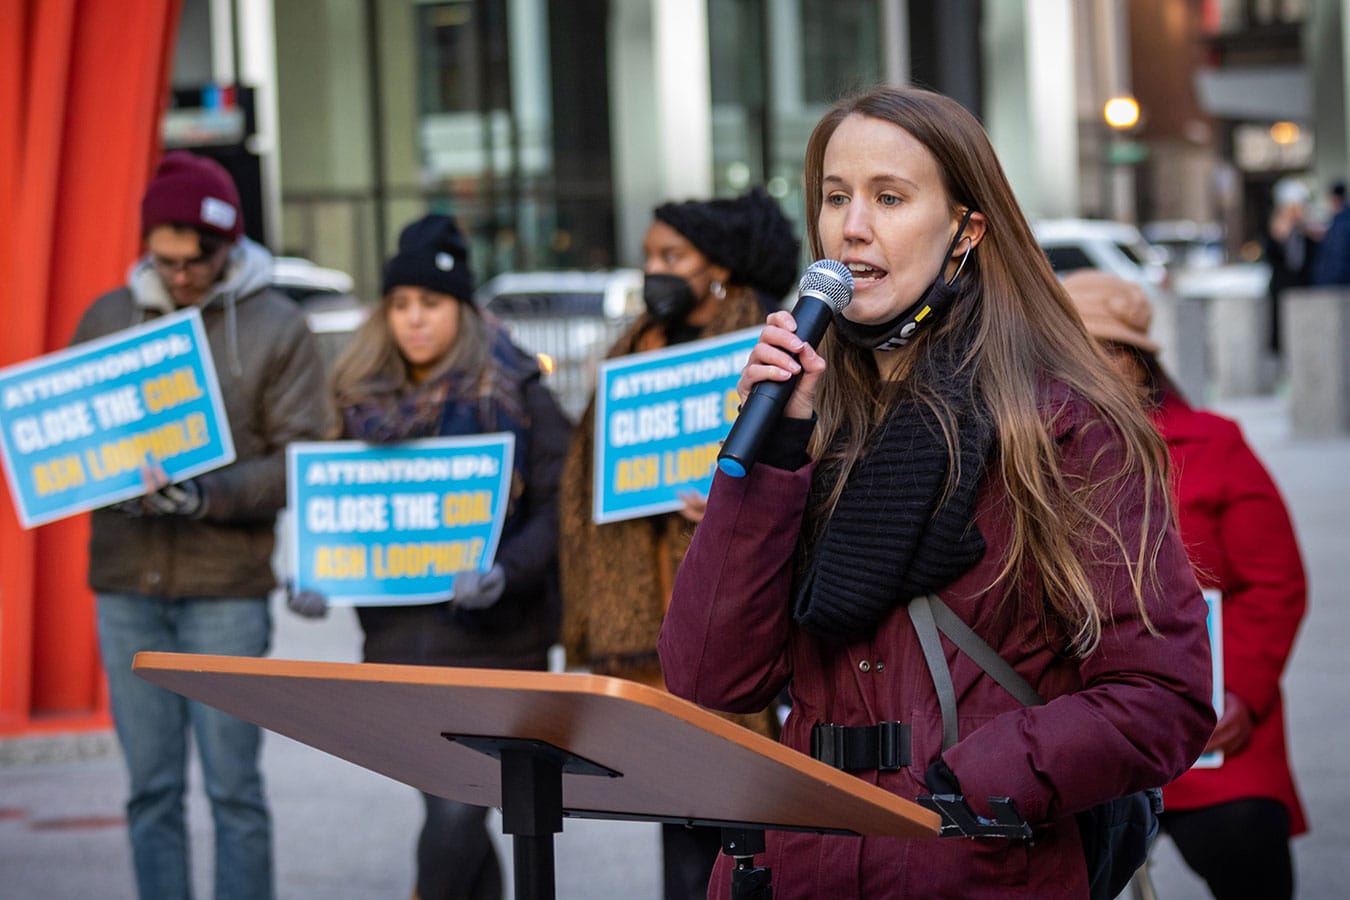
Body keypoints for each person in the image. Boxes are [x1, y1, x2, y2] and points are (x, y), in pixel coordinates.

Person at [656, 85, 1216, 899]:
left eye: (889, 198)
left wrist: (974, 780)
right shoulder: (804, 422)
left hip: (976, 865)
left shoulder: (1059, 425)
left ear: (967, 229)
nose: (853, 227)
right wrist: (772, 452)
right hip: (799, 867)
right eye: (836, 197)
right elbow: (709, 676)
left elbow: (1161, 695)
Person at [287, 213, 571, 900]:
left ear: (462, 308)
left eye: (431, 304)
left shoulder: (519, 390)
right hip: (397, 646)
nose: (414, 320)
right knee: (452, 811)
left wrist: (507, 572)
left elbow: (560, 507)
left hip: (496, 645)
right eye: (402, 305)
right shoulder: (357, 401)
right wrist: (312, 576)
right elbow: (341, 514)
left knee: (457, 808)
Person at [70, 151, 329, 899]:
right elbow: (69, 438)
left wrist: (206, 494)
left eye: (199, 260)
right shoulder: (106, 318)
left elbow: (301, 462)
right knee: (150, 792)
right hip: (126, 585)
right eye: (166, 260)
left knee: (234, 793)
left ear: (231, 244)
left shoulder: (278, 326)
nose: (183, 274)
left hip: (226, 590)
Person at [558, 188, 800, 900]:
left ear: (720, 269)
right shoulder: (634, 348)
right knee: (675, 815)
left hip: (742, 625)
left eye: (672, 257)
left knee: (745, 824)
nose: (653, 272)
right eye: (647, 258)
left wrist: (735, 513)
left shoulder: (766, 344)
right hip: (657, 627)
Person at [1061, 269, 1308, 900]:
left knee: (1248, 843)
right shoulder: (1030, 456)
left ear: (1140, 363)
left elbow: (1275, 582)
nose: (1084, 372)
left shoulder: (1215, 445)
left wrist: (1243, 695)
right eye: (1067, 353)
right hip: (1085, 740)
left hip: (1212, 733)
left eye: (1104, 352)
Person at [1262, 178, 1317, 355]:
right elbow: (1272, 258)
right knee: (1282, 339)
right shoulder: (1276, 234)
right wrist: (1280, 236)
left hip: (1304, 293)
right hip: (1282, 293)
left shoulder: (1307, 234)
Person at [1311, 179, 1350, 286]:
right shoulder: (1340, 220)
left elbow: (1338, 256)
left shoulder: (1341, 222)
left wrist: (1325, 280)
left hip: (1338, 283)